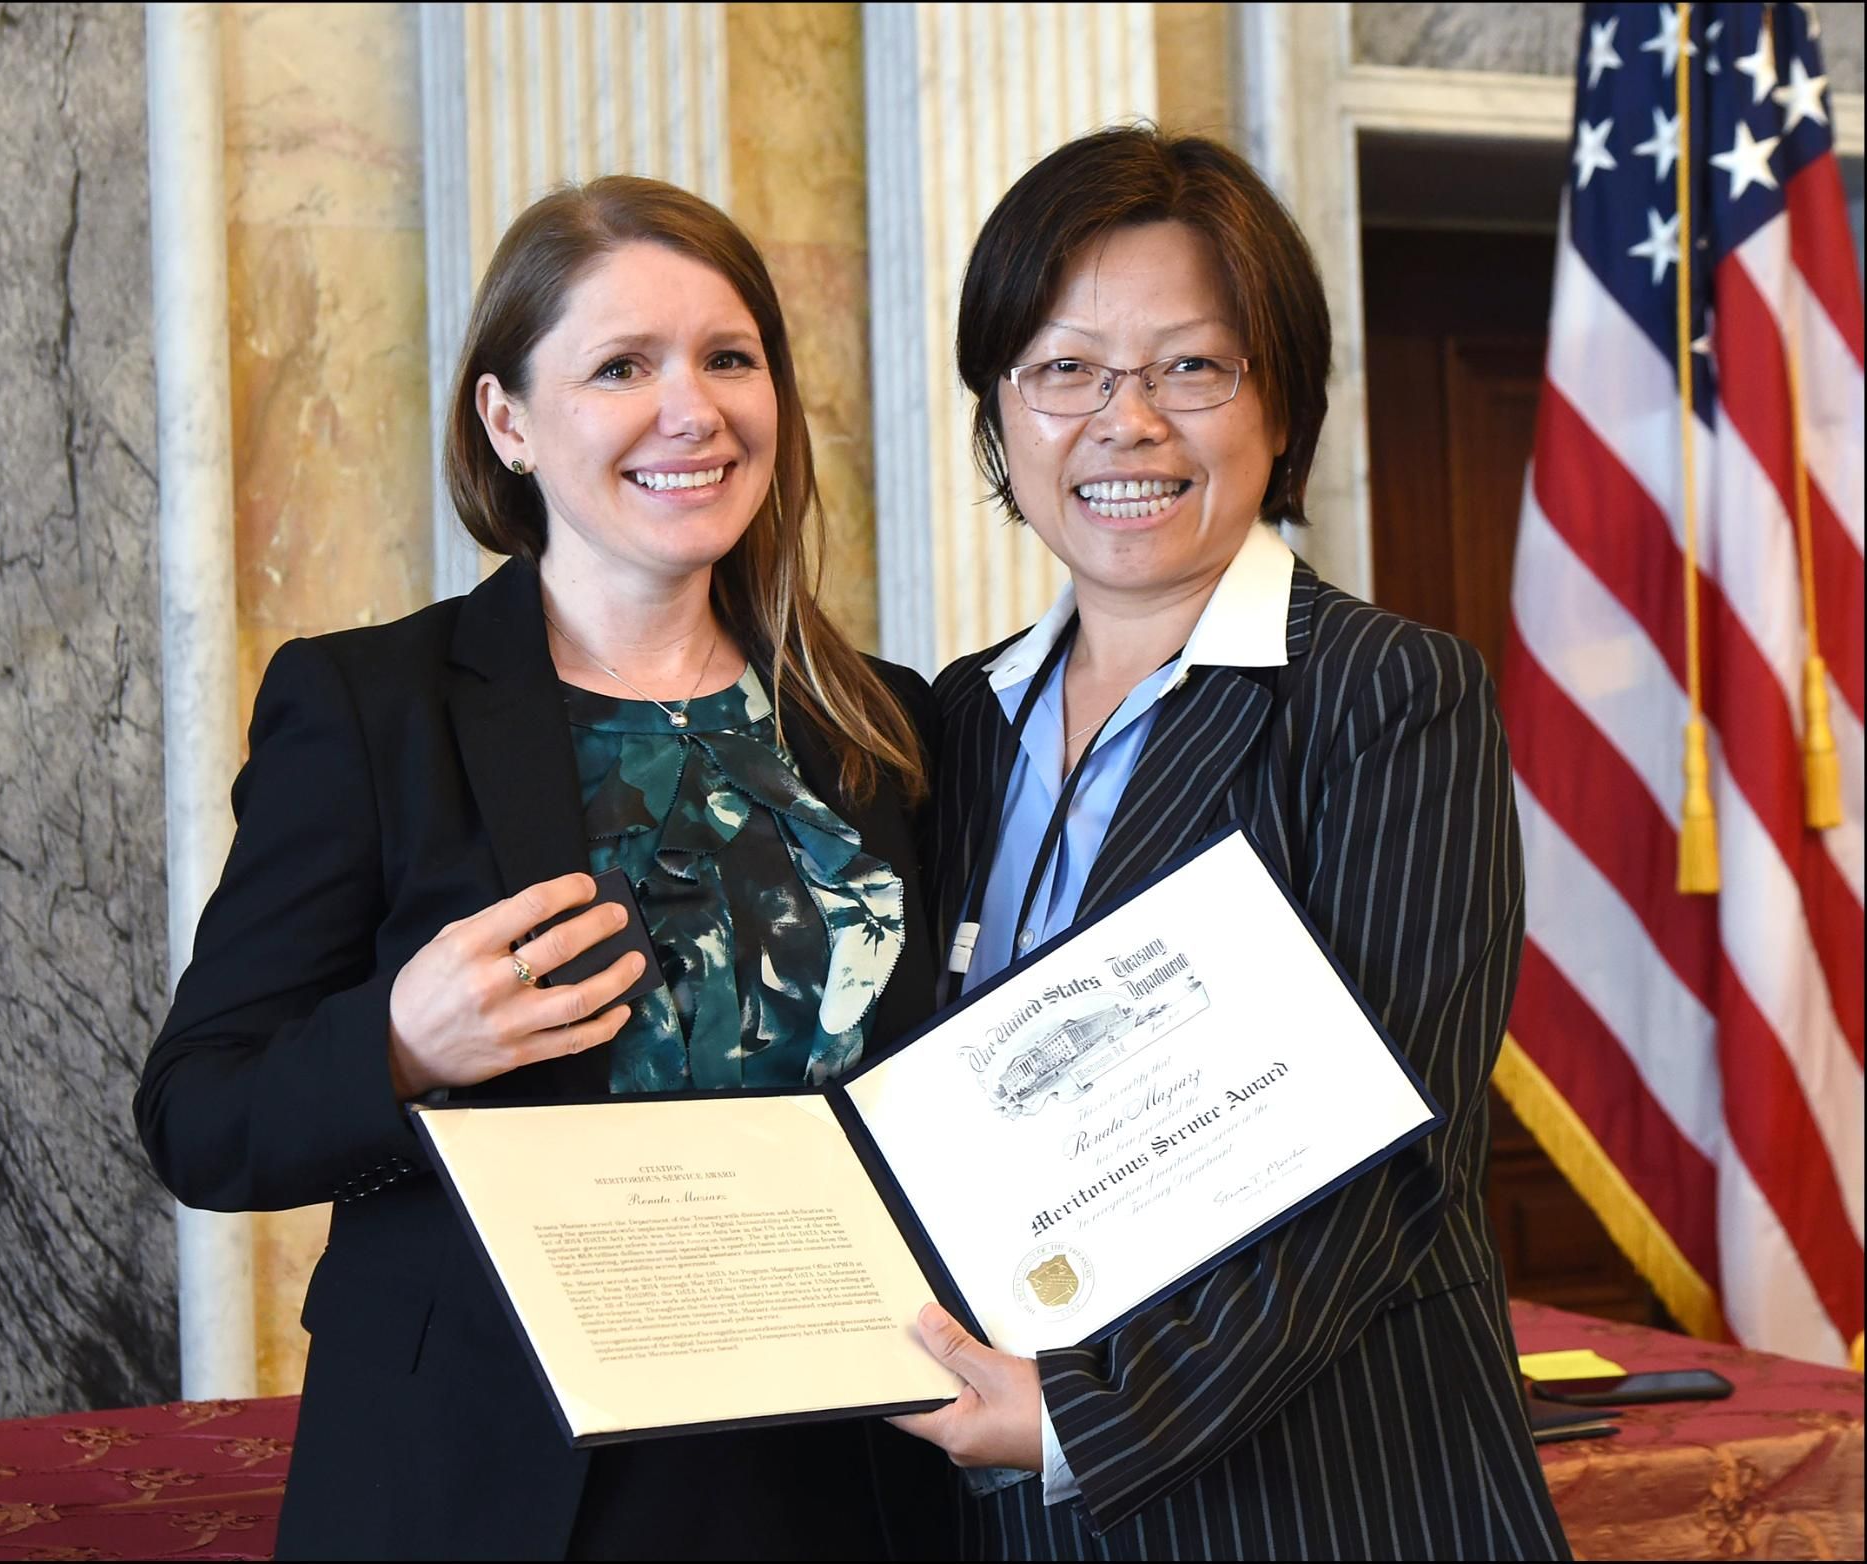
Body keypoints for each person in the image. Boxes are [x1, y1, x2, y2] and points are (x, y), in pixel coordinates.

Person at [135, 175, 952, 1561]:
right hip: (489, 1481)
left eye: (728, 358)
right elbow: (198, 1117)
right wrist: (395, 1044)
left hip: (839, 1474)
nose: (689, 409)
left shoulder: (883, 722)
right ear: (507, 421)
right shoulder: (371, 704)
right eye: (621, 366)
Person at [888, 127, 1572, 1560]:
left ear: (1284, 404)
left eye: (1192, 367)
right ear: (1000, 416)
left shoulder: (1390, 695)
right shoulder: (958, 720)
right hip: (1004, 1501)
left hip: (1321, 1494)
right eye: (1064, 370)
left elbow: (1391, 1152)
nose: (1124, 422)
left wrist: (1090, 1417)